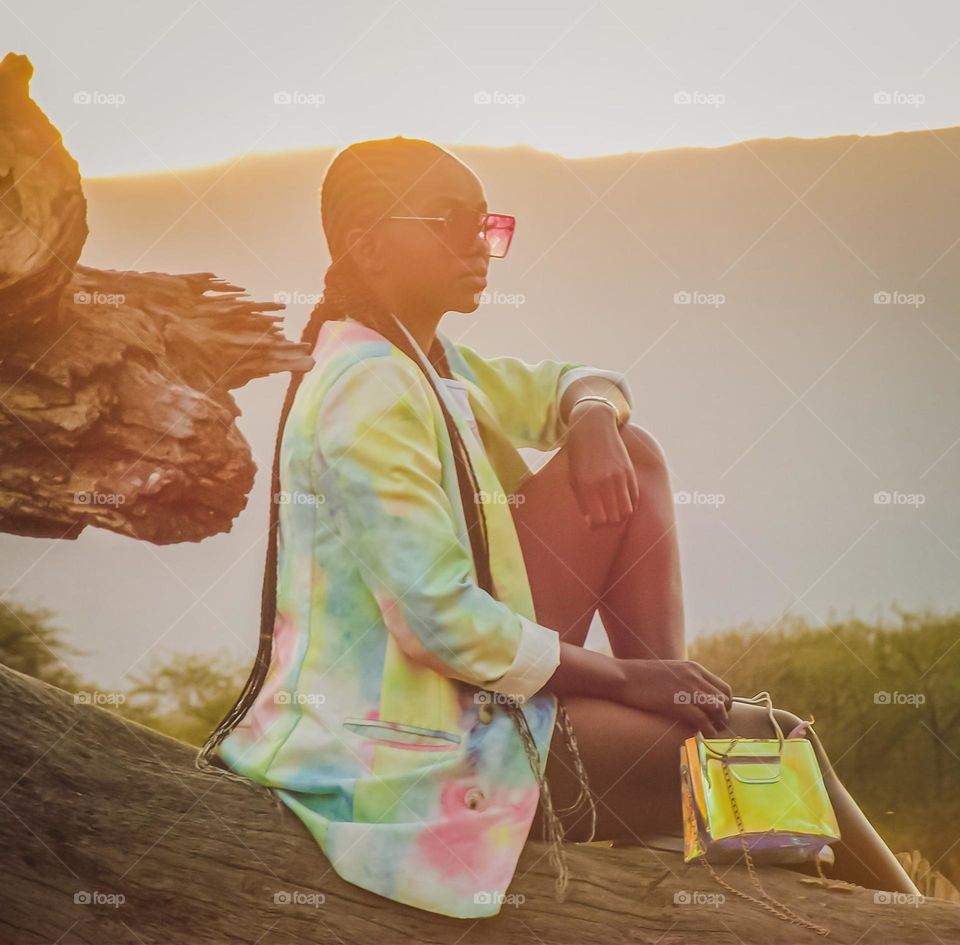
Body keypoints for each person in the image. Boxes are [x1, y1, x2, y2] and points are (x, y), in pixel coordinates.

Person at [196, 135, 920, 919]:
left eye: (486, 224)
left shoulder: (423, 362)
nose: (479, 246)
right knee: (772, 742)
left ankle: (682, 738)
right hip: (399, 758)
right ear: (366, 247)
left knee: (631, 459)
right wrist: (625, 679)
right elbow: (437, 624)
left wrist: (594, 414)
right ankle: (913, 923)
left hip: (459, 705)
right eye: (449, 222)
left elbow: (568, 384)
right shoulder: (367, 387)